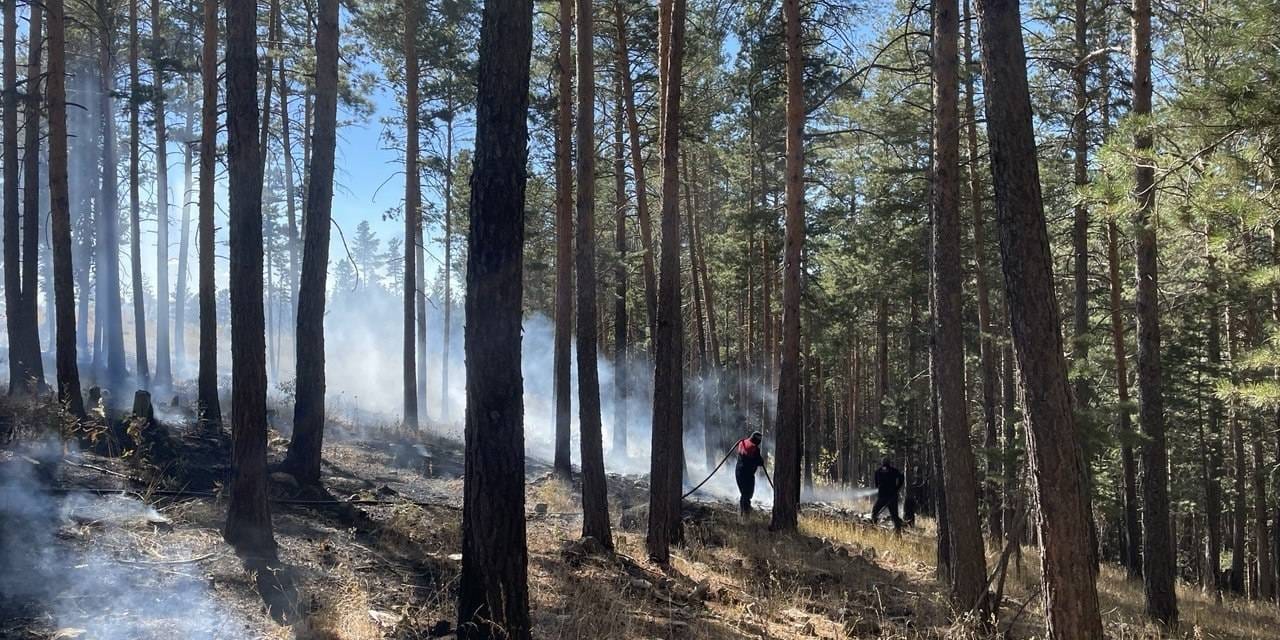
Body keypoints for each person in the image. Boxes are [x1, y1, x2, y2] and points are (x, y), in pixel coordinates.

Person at [735, 431, 766, 514]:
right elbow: (759, 462)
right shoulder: (754, 448)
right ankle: (745, 514)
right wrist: (761, 461)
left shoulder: (742, 442)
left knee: (744, 494)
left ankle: (744, 511)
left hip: (738, 472)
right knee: (747, 494)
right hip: (747, 475)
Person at [871, 457, 905, 531]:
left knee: (874, 513)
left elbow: (876, 484)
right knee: (894, 516)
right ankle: (898, 532)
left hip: (884, 497)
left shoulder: (878, 471)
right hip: (891, 497)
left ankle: (873, 528)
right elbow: (902, 478)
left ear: (882, 463)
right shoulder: (894, 471)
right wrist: (897, 488)